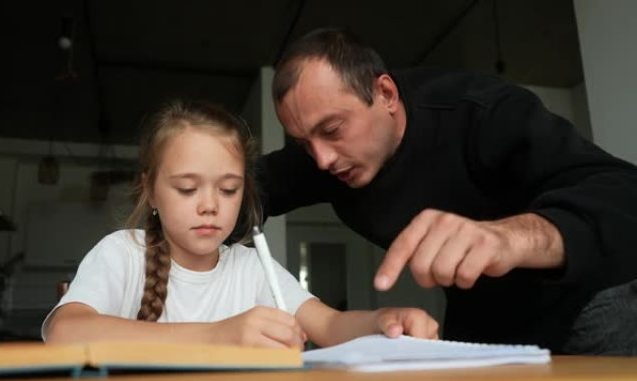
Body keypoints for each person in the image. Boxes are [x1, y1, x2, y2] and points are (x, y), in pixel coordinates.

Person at [258, 28, 637, 354]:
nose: (321, 159)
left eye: (333, 129)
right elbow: (237, 186)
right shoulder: (320, 158)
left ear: (386, 94)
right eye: (304, 143)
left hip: (585, 302)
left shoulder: (483, 111)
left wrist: (509, 237)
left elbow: (622, 191)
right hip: (479, 312)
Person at [42, 100, 439, 348]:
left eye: (229, 190)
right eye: (186, 188)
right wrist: (216, 336)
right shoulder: (123, 253)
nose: (210, 206)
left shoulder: (250, 268)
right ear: (152, 190)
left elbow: (331, 325)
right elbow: (65, 333)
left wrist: (383, 321)